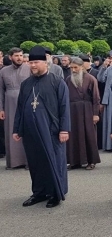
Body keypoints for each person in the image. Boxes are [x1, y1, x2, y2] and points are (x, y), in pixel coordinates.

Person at [13, 46, 70, 208]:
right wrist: (17, 129)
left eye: (36, 62)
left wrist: (64, 129)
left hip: (51, 130)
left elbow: (64, 107)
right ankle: (39, 192)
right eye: (30, 63)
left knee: (53, 161)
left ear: (46, 62)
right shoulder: (26, 84)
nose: (32, 66)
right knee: (35, 162)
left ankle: (55, 193)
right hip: (31, 132)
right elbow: (20, 107)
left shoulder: (57, 82)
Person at [65, 57, 101, 170]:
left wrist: (96, 114)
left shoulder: (91, 79)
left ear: (82, 67)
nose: (74, 70)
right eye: (72, 68)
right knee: (73, 136)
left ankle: (91, 161)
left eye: (76, 67)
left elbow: (96, 98)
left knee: (89, 135)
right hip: (72, 110)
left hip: (87, 109)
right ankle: (74, 161)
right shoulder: (67, 79)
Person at [0, 48, 31, 169]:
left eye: (21, 55)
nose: (19, 58)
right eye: (16, 56)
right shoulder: (3, 71)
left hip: (27, 103)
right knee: (11, 130)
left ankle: (28, 161)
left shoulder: (29, 69)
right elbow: (0, 91)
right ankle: (14, 162)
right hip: (9, 104)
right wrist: (1, 109)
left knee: (27, 130)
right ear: (10, 57)